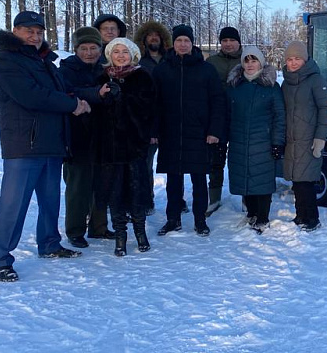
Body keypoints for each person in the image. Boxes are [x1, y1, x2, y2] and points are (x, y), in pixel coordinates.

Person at [0, 11, 90, 282]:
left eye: (39, 32)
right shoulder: (7, 60)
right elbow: (31, 96)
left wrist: (93, 94)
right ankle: (1, 259)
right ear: (15, 31)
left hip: (51, 141)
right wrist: (73, 105)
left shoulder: (44, 61)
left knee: (50, 199)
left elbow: (67, 89)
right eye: (28, 31)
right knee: (14, 204)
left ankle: (49, 243)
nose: (34, 36)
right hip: (24, 143)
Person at [152, 24, 226, 237]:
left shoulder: (206, 69)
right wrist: (154, 131)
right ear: (173, 43)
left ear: (192, 43)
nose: (182, 44)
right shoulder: (163, 69)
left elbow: (217, 102)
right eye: (179, 41)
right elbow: (154, 103)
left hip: (199, 133)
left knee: (199, 179)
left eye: (186, 40)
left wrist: (214, 130)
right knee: (173, 180)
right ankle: (173, 219)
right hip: (171, 133)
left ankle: (200, 219)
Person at [92, 38, 155, 256]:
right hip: (109, 147)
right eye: (116, 51)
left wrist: (123, 98)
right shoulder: (101, 77)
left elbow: (147, 108)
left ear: (133, 54)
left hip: (133, 144)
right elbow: (95, 111)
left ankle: (140, 232)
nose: (120, 55)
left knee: (136, 189)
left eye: (125, 52)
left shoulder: (141, 76)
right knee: (115, 192)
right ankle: (120, 234)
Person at [59, 27, 112, 248]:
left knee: (102, 183)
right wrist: (95, 94)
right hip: (77, 135)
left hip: (102, 134)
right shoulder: (66, 69)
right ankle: (75, 229)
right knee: (78, 186)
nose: (89, 52)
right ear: (76, 50)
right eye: (84, 48)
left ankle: (99, 227)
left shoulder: (105, 69)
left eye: (93, 48)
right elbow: (68, 93)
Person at [226, 46, 285, 234]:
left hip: (263, 141)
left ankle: (262, 217)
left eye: (254, 60)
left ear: (261, 62)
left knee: (263, 179)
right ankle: (251, 212)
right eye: (247, 61)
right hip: (239, 140)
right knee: (245, 177)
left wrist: (277, 142)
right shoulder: (235, 86)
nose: (250, 65)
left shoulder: (271, 87)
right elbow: (226, 114)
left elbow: (279, 116)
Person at [281, 41, 327, 232]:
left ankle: (311, 218)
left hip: (309, 139)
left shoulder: (316, 80)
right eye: (290, 59)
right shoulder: (286, 83)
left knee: (306, 182)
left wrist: (320, 138)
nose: (293, 63)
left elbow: (324, 109)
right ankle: (300, 215)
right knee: (296, 181)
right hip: (292, 140)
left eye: (297, 59)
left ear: (305, 59)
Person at [134, 21, 173, 215]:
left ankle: (177, 199)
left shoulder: (171, 59)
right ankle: (146, 199)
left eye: (157, 35)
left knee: (174, 163)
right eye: (149, 35)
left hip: (170, 118)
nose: (153, 38)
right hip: (147, 120)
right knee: (145, 163)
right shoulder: (138, 62)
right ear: (143, 39)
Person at [205, 26, 242, 215]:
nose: (228, 44)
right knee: (216, 160)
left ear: (238, 42)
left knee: (243, 159)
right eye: (224, 41)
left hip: (241, 118)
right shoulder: (211, 62)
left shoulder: (247, 60)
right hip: (217, 118)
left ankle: (247, 198)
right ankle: (214, 198)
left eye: (231, 40)